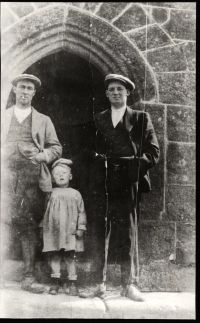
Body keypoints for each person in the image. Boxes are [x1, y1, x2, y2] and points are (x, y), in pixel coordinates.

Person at [81, 74, 159, 301]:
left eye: (120, 89)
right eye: (112, 90)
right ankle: (99, 282)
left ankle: (130, 284)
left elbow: (153, 153)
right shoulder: (99, 119)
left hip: (128, 182)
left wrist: (131, 167)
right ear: (106, 94)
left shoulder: (141, 118)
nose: (116, 93)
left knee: (127, 230)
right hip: (103, 181)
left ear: (127, 93)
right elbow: (88, 151)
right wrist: (98, 164)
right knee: (100, 229)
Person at [1, 74, 62, 293]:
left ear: (34, 93)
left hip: (32, 178)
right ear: (15, 90)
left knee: (27, 225)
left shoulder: (43, 120)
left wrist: (41, 156)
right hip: (4, 176)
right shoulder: (3, 115)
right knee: (2, 222)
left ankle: (28, 276)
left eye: (29, 88)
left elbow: (56, 148)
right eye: (21, 87)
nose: (25, 91)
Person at [41, 158, 87, 296]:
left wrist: (81, 227)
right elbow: (45, 212)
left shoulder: (75, 194)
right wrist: (43, 227)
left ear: (70, 176)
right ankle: (56, 282)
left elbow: (81, 212)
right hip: (54, 231)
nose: (60, 176)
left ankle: (72, 283)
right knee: (54, 256)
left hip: (69, 232)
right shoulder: (50, 194)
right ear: (52, 178)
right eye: (56, 174)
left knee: (69, 257)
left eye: (64, 173)